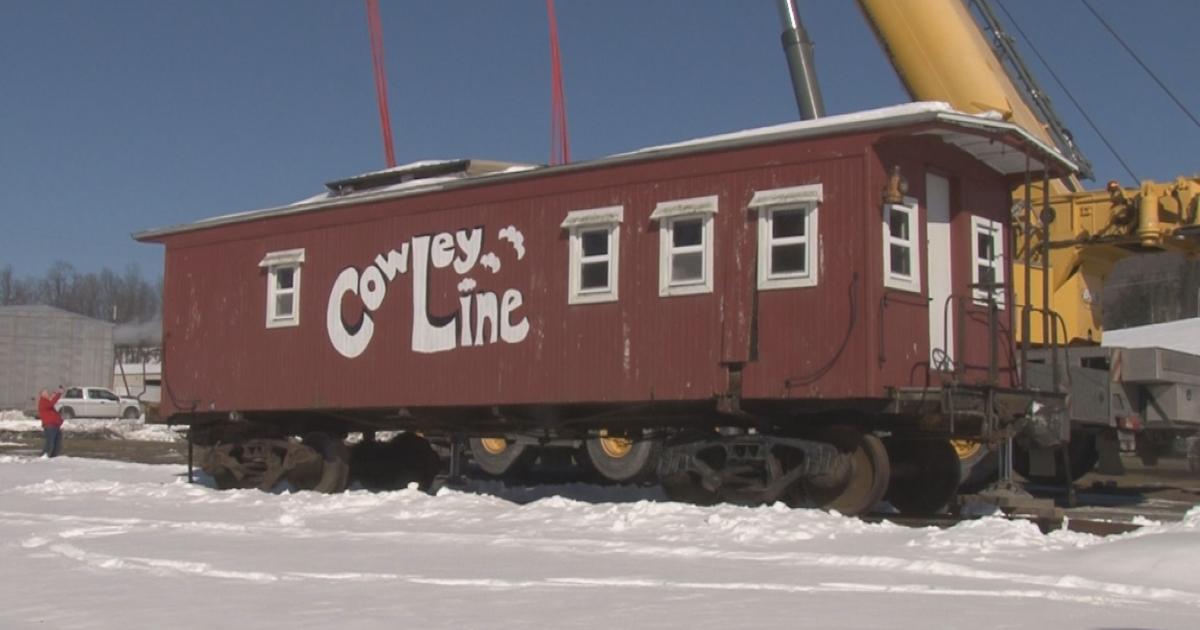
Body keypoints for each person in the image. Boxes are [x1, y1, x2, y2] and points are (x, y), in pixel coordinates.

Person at [37, 387, 65, 458]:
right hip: (50, 426)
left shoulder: (47, 402)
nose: (47, 394)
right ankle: (43, 456)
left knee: (57, 443)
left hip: (55, 426)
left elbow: (52, 409)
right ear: (42, 394)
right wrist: (58, 394)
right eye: (45, 392)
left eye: (47, 392)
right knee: (50, 443)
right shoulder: (43, 402)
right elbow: (52, 403)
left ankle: (53, 457)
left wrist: (60, 420)